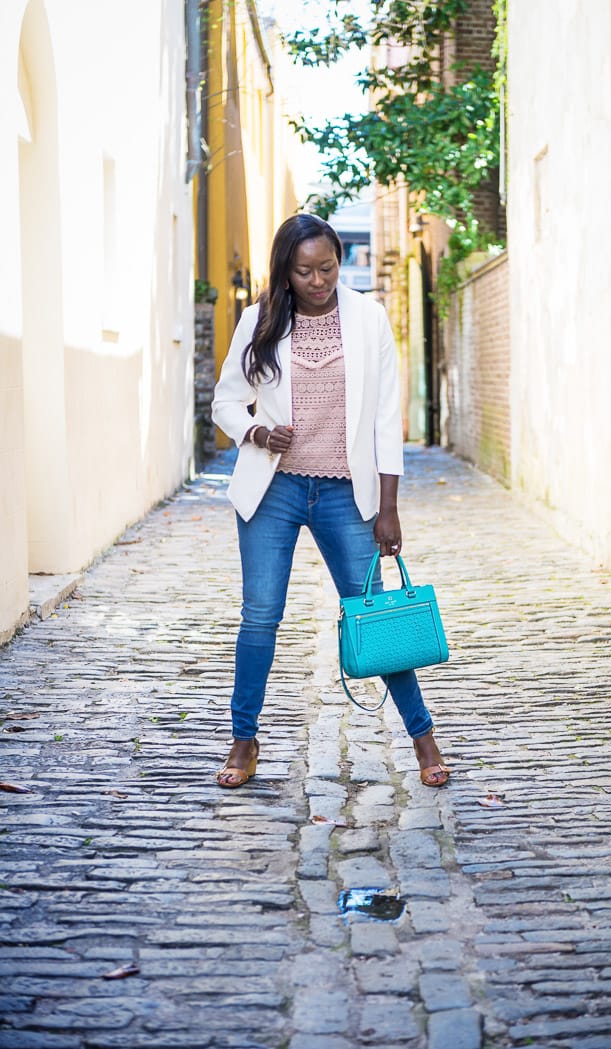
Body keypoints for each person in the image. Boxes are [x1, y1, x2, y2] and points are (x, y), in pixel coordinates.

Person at [211, 213, 449, 789]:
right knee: (261, 617)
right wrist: (256, 434)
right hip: (275, 488)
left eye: (327, 267)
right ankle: (244, 740)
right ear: (284, 271)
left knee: (377, 616)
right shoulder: (259, 320)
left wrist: (388, 506)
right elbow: (226, 401)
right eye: (304, 271)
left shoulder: (368, 318)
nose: (318, 280)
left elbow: (387, 417)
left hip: (348, 492)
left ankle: (423, 736)